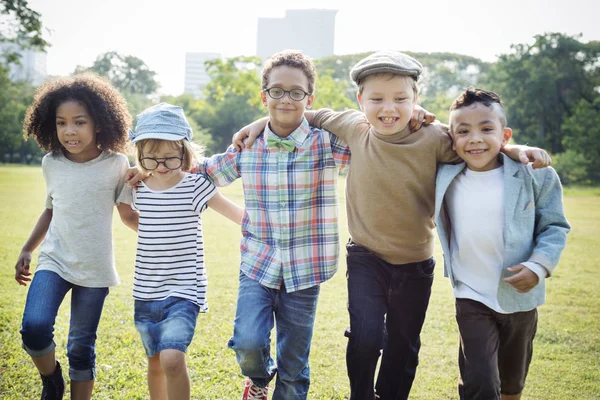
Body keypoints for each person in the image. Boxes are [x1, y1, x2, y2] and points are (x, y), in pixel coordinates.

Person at [234, 51, 551, 400]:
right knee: (366, 337)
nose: (389, 108)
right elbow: (301, 112)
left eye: (401, 99)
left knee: (403, 346)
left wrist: (515, 148)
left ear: (416, 100)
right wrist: (259, 124)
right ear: (360, 100)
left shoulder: (433, 137)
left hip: (416, 265)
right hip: (366, 258)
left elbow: (475, 141)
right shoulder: (353, 127)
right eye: (377, 99)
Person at [434, 88, 570, 400]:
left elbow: (554, 227)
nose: (475, 139)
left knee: (512, 384)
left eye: (486, 129)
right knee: (480, 381)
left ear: (504, 134)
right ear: (452, 138)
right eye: (463, 131)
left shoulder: (535, 174)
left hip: (519, 295)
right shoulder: (444, 173)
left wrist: (538, 267)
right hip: (469, 294)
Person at [15, 73, 138, 400]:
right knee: (34, 328)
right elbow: (51, 209)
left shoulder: (117, 164)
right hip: (54, 261)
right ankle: (51, 379)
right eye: (61, 123)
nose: (69, 131)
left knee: (81, 347)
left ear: (99, 123)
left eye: (79, 122)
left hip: (95, 269)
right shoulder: (51, 163)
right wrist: (28, 249)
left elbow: (127, 215)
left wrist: (163, 229)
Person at [127, 103, 244, 400]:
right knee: (154, 362)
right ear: (140, 155)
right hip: (145, 290)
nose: (161, 167)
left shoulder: (195, 186)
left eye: (169, 158)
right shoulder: (138, 188)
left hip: (183, 290)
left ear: (185, 153)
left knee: (172, 359)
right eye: (151, 160)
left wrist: (274, 229)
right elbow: (130, 218)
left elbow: (237, 215)